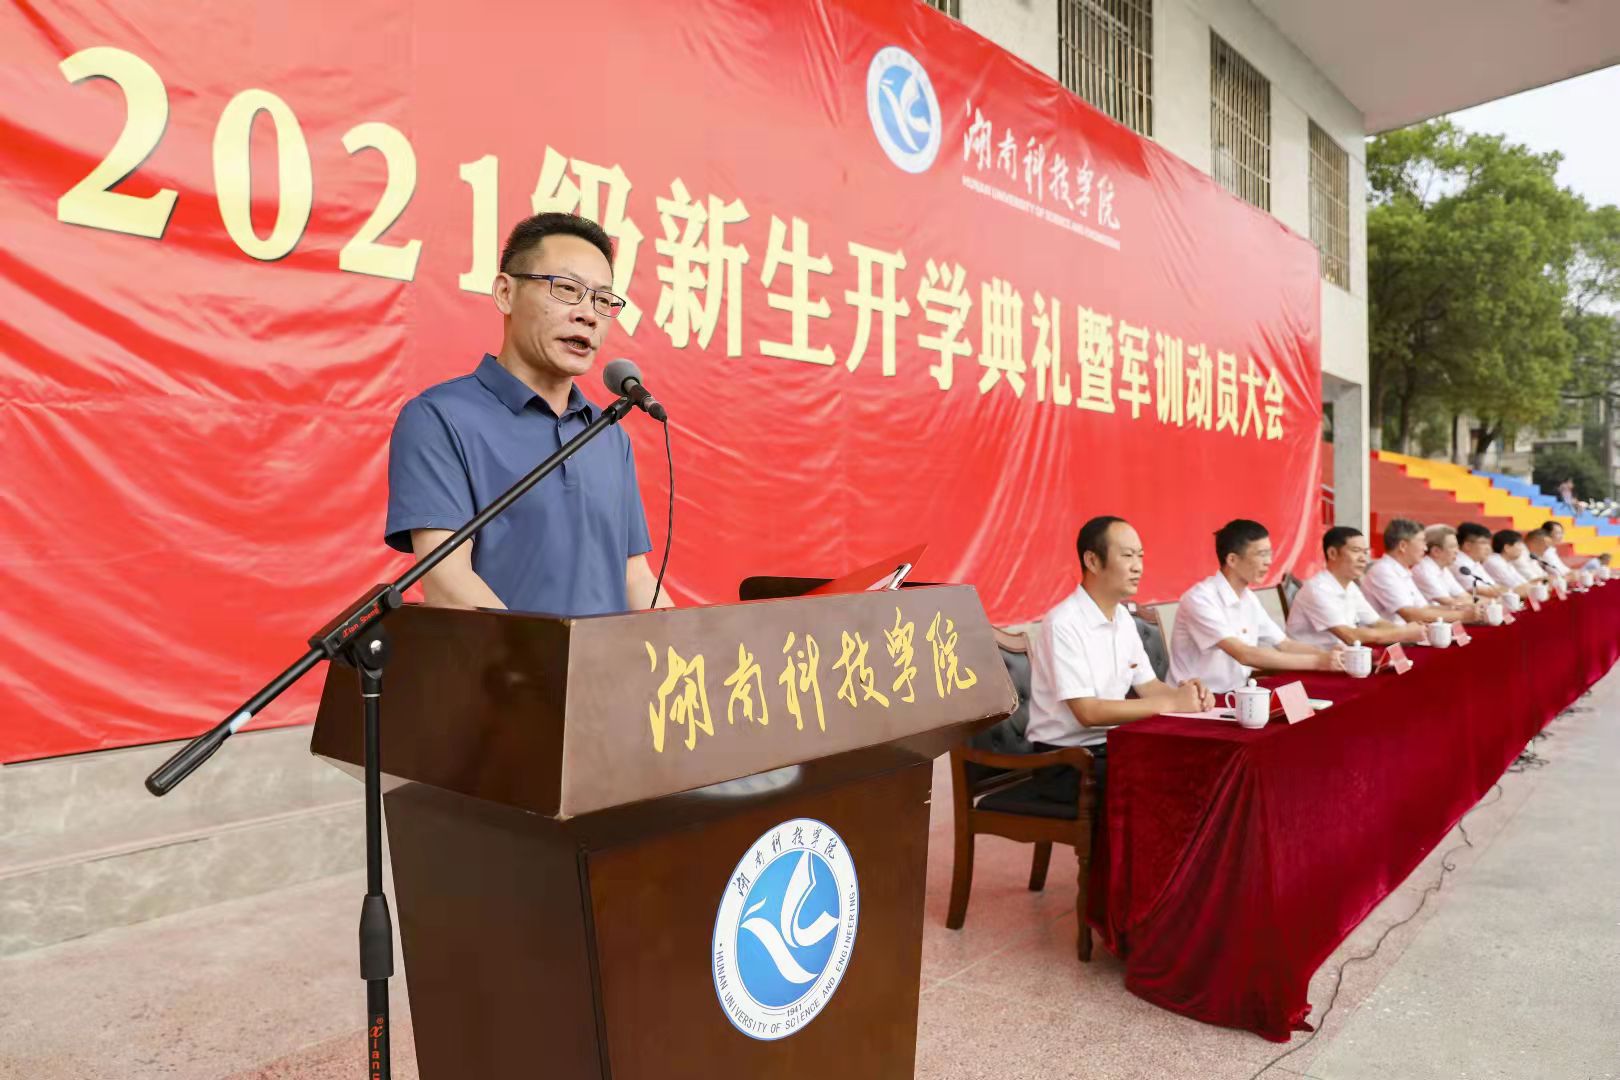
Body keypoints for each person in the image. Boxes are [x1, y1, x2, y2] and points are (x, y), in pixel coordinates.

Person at [384, 212, 670, 615]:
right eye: (567, 289)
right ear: (506, 292)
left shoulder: (607, 432)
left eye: (603, 300)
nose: (589, 315)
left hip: (605, 658)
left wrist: (693, 647)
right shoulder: (440, 418)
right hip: (502, 658)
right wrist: (548, 654)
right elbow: (449, 582)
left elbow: (634, 577)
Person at [1026, 517, 1216, 801]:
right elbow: (1088, 712)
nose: (1138, 566)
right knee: (1169, 782)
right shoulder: (1063, 623)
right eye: (1127, 555)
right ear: (1092, 560)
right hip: (1066, 762)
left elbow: (1149, 686)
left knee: (1204, 764)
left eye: (1140, 556)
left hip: (1113, 747)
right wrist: (1173, 703)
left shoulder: (1123, 618)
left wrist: (1190, 697)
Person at [1168, 519, 1344, 693]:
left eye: (1269, 554)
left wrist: (1328, 655)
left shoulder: (1249, 598)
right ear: (1232, 559)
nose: (1269, 561)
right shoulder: (1200, 599)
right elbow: (1244, 654)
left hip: (1237, 693)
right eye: (1261, 554)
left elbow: (1285, 644)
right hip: (1195, 700)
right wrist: (1319, 662)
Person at [1286, 526, 1426, 648]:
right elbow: (1350, 636)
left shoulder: (1350, 586)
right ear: (1332, 553)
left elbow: (1376, 622)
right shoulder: (1317, 589)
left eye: (1365, 552)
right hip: (1314, 661)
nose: (1364, 558)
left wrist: (1409, 632)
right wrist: (1403, 632)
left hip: (1344, 657)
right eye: (1356, 550)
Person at [1360, 518, 1472, 624]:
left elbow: (1424, 608)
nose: (1425, 548)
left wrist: (1461, 609)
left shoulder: (1402, 570)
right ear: (1403, 546)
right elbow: (1410, 614)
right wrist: (1463, 616)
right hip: (1391, 635)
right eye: (1422, 542)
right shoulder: (1383, 571)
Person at [1412, 525, 1483, 615]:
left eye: (1457, 546)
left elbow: (1464, 596)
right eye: (1452, 546)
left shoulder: (1443, 568)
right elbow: (1450, 602)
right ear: (1436, 551)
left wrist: (1490, 602)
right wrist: (1487, 603)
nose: (1457, 551)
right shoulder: (1424, 570)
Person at [1452, 523, 1509, 599]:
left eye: (1489, 544)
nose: (1488, 548)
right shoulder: (1459, 564)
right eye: (1484, 543)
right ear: (1468, 546)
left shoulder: (1475, 562)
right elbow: (1485, 591)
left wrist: (1503, 590)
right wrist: (1505, 590)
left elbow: (1494, 587)